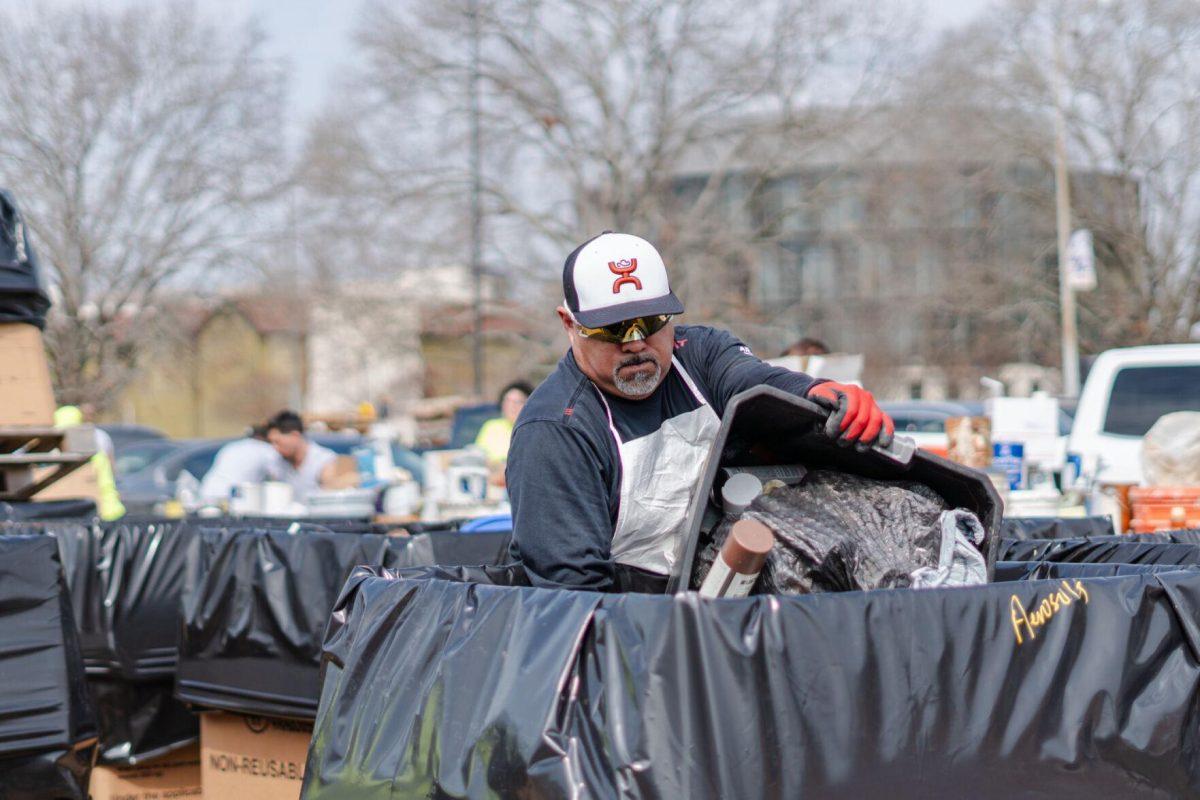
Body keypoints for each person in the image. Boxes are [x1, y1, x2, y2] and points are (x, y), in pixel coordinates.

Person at [506, 231, 893, 592]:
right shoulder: (555, 431)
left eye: (651, 322)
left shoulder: (701, 354)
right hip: (632, 622)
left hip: (729, 593)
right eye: (614, 328)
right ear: (569, 324)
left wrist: (817, 393)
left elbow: (752, 381)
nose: (636, 343)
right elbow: (576, 596)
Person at [53, 405, 125, 521]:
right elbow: (112, 468)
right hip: (104, 511)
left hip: (101, 512)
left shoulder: (93, 447)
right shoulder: (98, 442)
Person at [264, 410, 338, 502]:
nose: (274, 447)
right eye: (271, 442)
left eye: (277, 442)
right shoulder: (276, 461)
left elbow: (329, 496)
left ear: (295, 436)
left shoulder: (323, 460)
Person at [200, 424, 277, 505]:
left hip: (207, 491)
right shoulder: (267, 449)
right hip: (233, 497)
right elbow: (278, 479)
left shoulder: (232, 446)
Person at [475, 381, 533, 467]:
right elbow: (478, 456)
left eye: (517, 402)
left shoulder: (533, 429)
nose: (511, 406)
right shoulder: (491, 427)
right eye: (507, 401)